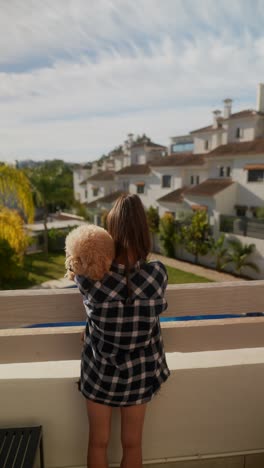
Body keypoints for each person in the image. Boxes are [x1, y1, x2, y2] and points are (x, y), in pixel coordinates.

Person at [74, 193, 170, 468]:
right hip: (140, 372)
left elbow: (76, 264)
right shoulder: (157, 274)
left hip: (99, 371)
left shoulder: (90, 280)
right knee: (133, 444)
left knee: (97, 442)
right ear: (144, 232)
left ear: (109, 233)